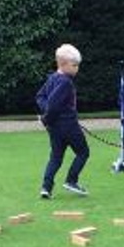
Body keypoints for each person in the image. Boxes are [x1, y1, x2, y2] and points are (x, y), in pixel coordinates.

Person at [35, 43, 89, 198]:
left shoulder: (52, 78)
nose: (77, 68)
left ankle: (46, 187)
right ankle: (71, 181)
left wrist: (47, 116)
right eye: (75, 65)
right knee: (83, 152)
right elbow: (53, 104)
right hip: (69, 126)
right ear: (63, 64)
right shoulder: (65, 82)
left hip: (55, 128)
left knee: (56, 157)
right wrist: (46, 118)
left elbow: (40, 97)